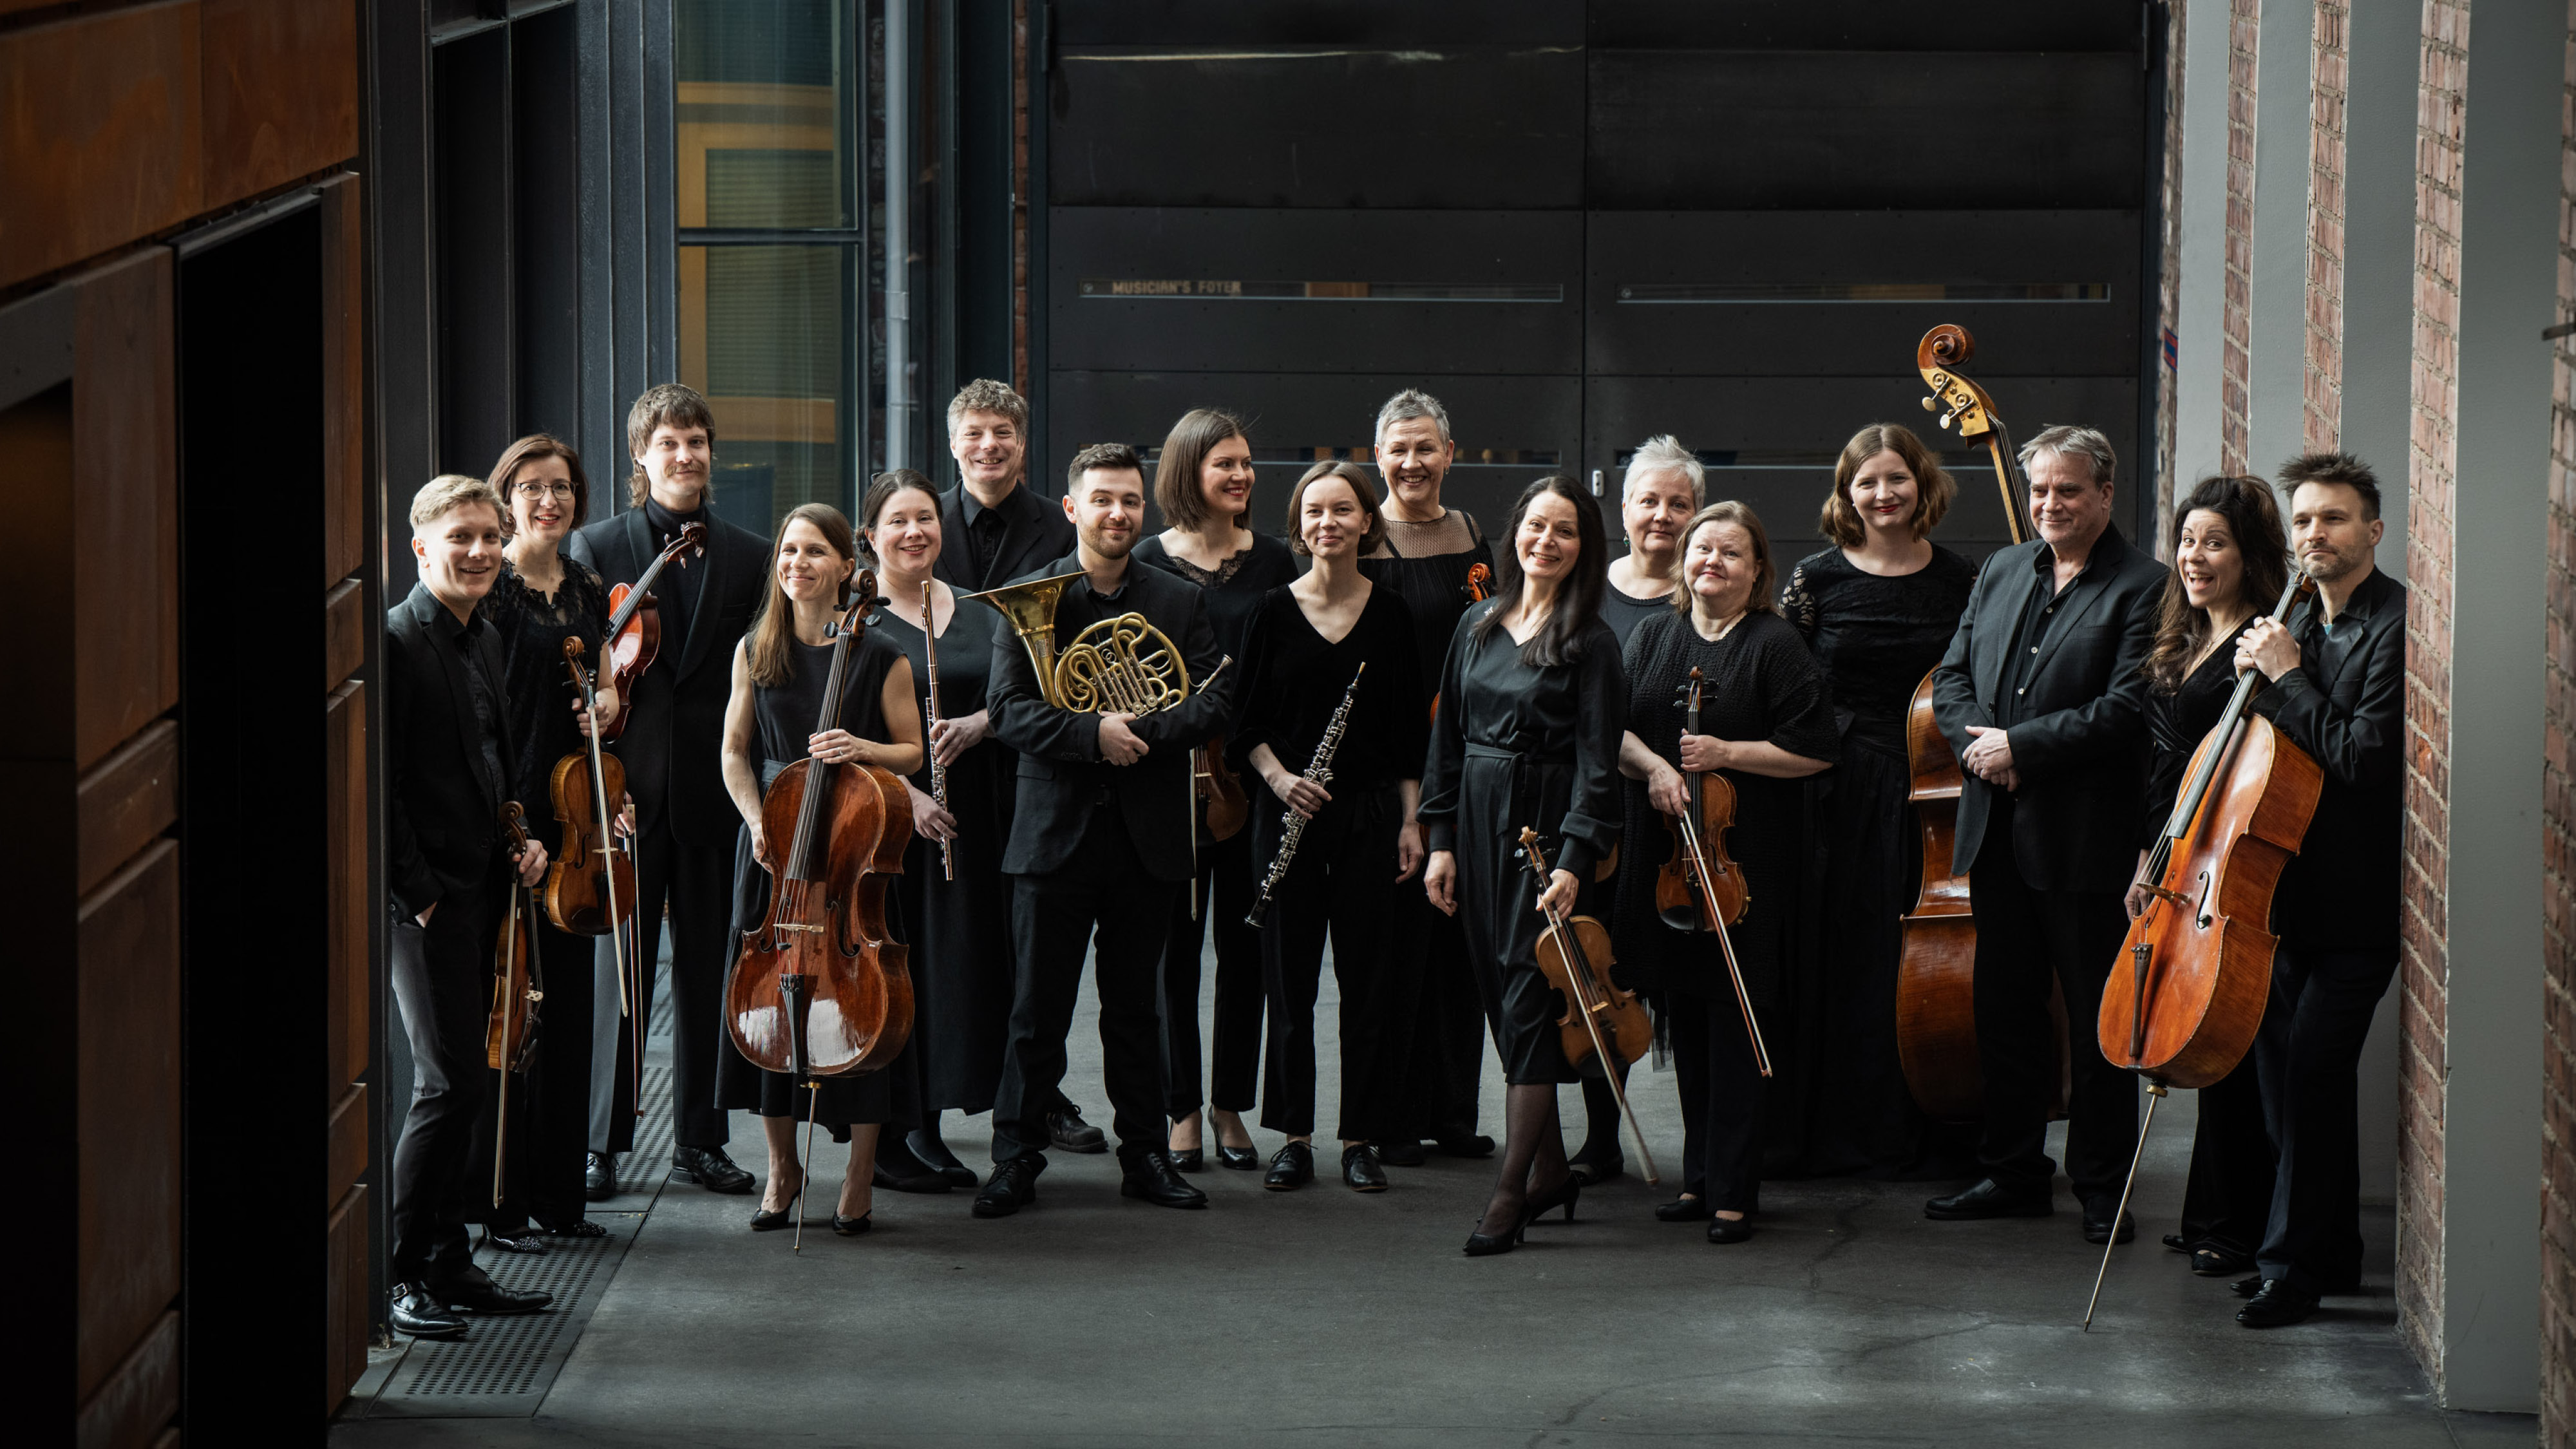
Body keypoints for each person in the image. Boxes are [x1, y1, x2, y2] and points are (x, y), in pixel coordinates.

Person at [972, 444, 1233, 1218]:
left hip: (1148, 836)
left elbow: (1214, 699)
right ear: (1072, 508)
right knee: (1035, 1012)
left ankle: (1144, 1155)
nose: (1118, 513)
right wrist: (1093, 734)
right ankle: (1015, 1157)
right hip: (1053, 835)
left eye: (1130, 501)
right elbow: (1009, 711)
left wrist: (1136, 732)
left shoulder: (1178, 600)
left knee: (1136, 1010)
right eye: (1103, 500)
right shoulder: (1028, 596)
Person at [1923, 424, 2166, 1244]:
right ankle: (2013, 1171)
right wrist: (1979, 747)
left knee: (2098, 1022)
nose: (2049, 505)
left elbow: (2127, 707)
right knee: (2006, 1011)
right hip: (1996, 830)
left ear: (2105, 494)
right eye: (2039, 490)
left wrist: (2020, 748)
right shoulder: (2001, 569)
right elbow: (1952, 675)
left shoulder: (2145, 587)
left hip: (2084, 839)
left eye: (2067, 490)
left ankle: (2101, 1186)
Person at [569, 384, 772, 1198]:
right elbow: (579, 676)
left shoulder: (751, 555)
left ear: (711, 452)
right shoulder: (596, 547)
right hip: (624, 797)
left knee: (708, 975)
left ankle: (701, 1140)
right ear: (640, 456)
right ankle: (602, 1142)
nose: (685, 455)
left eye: (696, 442)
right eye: (669, 444)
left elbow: (760, 680)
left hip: (712, 797)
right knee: (617, 977)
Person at [1615, 503, 1837, 1243]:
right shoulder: (1655, 635)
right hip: (1669, 860)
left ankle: (1735, 1190)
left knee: (1733, 1024)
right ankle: (1699, 1179)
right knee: (1686, 1015)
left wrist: (1725, 754)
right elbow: (1613, 728)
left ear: (1757, 571)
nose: (1711, 561)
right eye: (1701, 548)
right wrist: (1655, 768)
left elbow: (1815, 749)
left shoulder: (1774, 644)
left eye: (1730, 553)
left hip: (1746, 866)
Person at [1420, 476, 1627, 1255]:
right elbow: (1445, 740)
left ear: (1583, 547)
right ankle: (1552, 1174)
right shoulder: (1476, 623)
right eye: (1536, 526)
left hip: (1542, 831)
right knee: (1499, 994)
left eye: (1564, 530)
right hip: (1476, 822)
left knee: (1528, 996)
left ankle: (1510, 1196)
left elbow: (1598, 767)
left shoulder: (1591, 642)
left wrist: (1575, 859)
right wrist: (1440, 840)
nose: (1546, 541)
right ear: (1515, 534)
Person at [2228, 453, 2407, 1328]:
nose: (2314, 535)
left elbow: (2361, 757)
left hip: (2354, 906)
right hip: (2280, 896)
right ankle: (2331, 1249)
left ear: (2373, 530)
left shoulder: (2393, 626)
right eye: (2302, 520)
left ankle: (2290, 1271)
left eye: (2334, 518)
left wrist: (2286, 677)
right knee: (2288, 1090)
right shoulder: (2297, 615)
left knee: (2308, 1080)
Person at [714, 504, 926, 1235]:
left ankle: (860, 1173)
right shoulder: (756, 648)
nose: (796, 563)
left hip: (852, 844)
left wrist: (861, 748)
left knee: (866, 998)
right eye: (787, 551)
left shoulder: (882, 653)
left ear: (845, 566)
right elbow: (734, 751)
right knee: (771, 1000)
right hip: (775, 844)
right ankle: (783, 1168)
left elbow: (913, 752)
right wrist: (755, 822)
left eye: (812, 552)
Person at [1779, 424, 1979, 1179]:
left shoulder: (1960, 578)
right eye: (1866, 481)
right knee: (1847, 954)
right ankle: (1838, 1129)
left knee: (1924, 958)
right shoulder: (1816, 580)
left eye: (1896, 478)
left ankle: (1929, 1114)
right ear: (1846, 493)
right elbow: (1788, 688)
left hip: (1935, 784)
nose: (1883, 493)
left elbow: (1973, 679)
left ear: (1922, 484)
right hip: (1842, 788)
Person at [384, 475, 555, 1339]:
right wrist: (418, 897)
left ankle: (449, 1259)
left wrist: (520, 839)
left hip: (486, 883)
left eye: (490, 535)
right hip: (427, 903)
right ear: (421, 547)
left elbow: (493, 760)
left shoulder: (482, 632)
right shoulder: (397, 640)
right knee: (444, 1083)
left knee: (472, 1082)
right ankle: (399, 1274)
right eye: (461, 537)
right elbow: (381, 787)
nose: (481, 550)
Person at [1229, 462, 1428, 1191]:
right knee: (1289, 986)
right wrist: (1281, 779)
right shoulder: (1269, 611)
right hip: (1288, 813)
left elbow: (1410, 735)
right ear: (1299, 525)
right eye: (1314, 511)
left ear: (1366, 522)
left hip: (1371, 817)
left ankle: (1359, 1137)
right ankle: (1295, 1137)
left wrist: (1412, 822)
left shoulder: (1393, 613)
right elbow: (1243, 725)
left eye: (1343, 510)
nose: (1328, 523)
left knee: (1367, 982)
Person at [927, 376, 1104, 1155]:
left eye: (1002, 432)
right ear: (953, 443)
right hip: (937, 758)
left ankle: (1037, 1096)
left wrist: (992, 721)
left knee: (1034, 945)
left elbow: (1077, 650)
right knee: (948, 939)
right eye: (974, 433)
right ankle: (929, 1103)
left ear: (1023, 445)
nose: (988, 446)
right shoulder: (922, 520)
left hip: (1035, 758)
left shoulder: (1060, 528)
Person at [2123, 475, 2289, 1280]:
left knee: (2233, 1038)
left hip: (2227, 863)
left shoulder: (2258, 650)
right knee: (2203, 1030)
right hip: (2177, 854)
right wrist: (2148, 857)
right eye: (2187, 541)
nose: (2193, 557)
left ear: (2249, 557)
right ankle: (2209, 1216)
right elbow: (2164, 768)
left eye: (2214, 543)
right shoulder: (2184, 637)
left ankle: (2238, 1225)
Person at [1132, 408, 1299, 1173]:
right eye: (1223, 463)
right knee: (1171, 954)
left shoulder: (1274, 562)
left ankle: (1229, 1102)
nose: (1240, 475)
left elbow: (1283, 670)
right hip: (1167, 779)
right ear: (1187, 471)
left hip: (1250, 778)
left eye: (1245, 463)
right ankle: (1181, 1107)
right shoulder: (1147, 561)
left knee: (1245, 948)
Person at [476, 435, 621, 1251]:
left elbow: (605, 681)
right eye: (532, 487)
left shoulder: (585, 586)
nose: (549, 500)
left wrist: (605, 705)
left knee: (565, 1012)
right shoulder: (493, 587)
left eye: (561, 487)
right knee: (510, 1012)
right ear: (508, 499)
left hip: (574, 822)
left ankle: (561, 1198)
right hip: (514, 813)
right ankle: (502, 1205)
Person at [861, 470, 1013, 1190]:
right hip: (895, 828)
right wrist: (908, 795)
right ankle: (898, 1130)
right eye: (897, 521)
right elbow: (837, 733)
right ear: (870, 536)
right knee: (904, 970)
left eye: (924, 517)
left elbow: (1018, 699)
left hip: (978, 814)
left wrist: (981, 723)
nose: (914, 532)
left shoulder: (982, 613)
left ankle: (933, 1122)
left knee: (961, 971)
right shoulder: (855, 621)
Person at [1360, 388, 1499, 1165]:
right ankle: (1390, 1118)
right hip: (1390, 764)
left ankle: (1451, 1113)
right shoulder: (1358, 536)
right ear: (1377, 456)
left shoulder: (1472, 534)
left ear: (1449, 454)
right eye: (1398, 449)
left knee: (1456, 946)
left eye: (1425, 448)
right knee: (1393, 947)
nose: (1411, 463)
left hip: (1463, 760)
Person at [1573, 435, 1705, 1187]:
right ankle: (1601, 1140)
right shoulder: (1588, 594)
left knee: (1686, 981)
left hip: (1692, 816)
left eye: (1677, 503)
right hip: (1607, 814)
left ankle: (1702, 1150)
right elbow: (1581, 713)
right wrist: (1649, 765)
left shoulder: (1711, 587)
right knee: (1605, 976)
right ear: (1622, 509)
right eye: (1647, 500)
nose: (1661, 515)